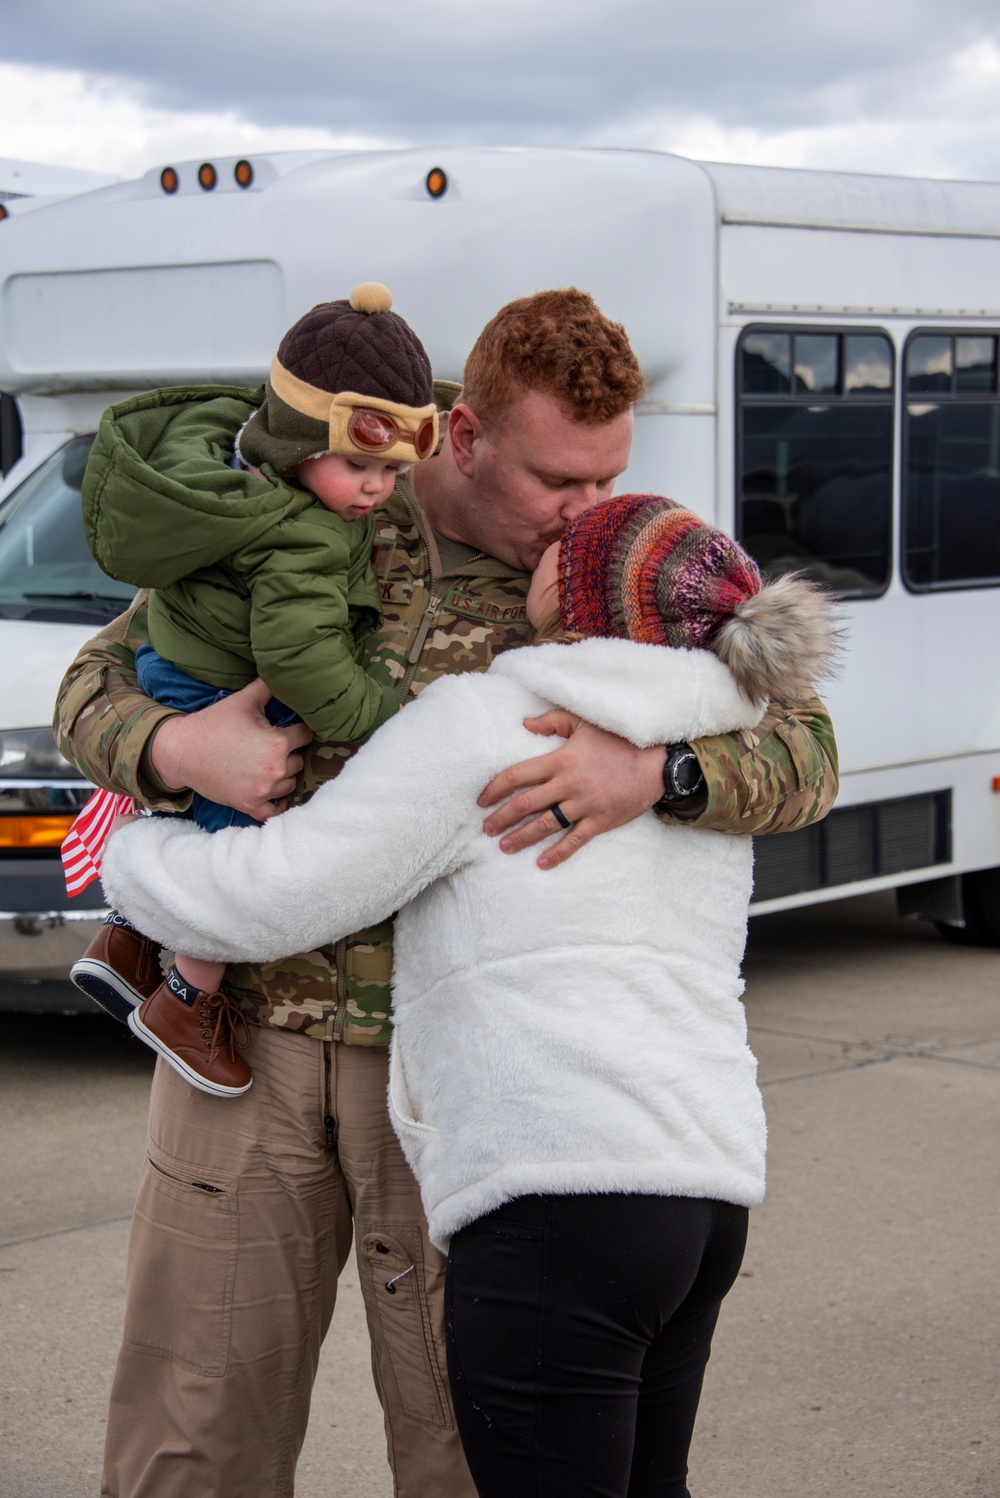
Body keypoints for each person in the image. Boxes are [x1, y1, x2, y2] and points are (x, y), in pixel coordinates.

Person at [54, 288, 839, 1498]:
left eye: (606, 479)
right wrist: (171, 753)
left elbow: (807, 751)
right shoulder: (311, 500)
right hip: (240, 1045)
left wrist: (661, 771)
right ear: (460, 435)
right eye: (554, 483)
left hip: (435, 1083)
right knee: (191, 1430)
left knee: (459, 1447)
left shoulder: (617, 571)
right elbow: (94, 684)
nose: (587, 515)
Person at [69, 282, 437, 1098]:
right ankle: (189, 998)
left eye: (391, 469)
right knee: (235, 848)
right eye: (357, 464)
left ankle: (123, 941)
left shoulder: (239, 484)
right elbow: (300, 655)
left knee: (200, 828)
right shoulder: (306, 532)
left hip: (184, 666)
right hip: (213, 685)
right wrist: (371, 707)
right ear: (300, 442)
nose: (378, 490)